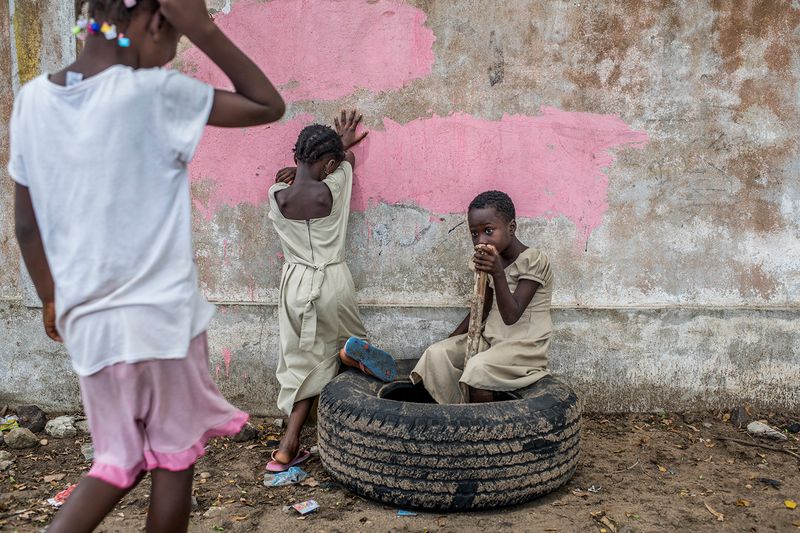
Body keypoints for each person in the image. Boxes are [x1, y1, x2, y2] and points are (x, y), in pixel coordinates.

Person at [9, 0, 285, 531]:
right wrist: (204, 27)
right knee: (172, 461)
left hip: (88, 323)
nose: (173, 52)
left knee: (116, 464)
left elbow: (26, 226)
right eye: (176, 38)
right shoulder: (154, 94)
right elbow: (264, 104)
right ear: (157, 21)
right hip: (162, 321)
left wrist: (51, 298)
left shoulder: (33, 101)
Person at [267, 109, 397, 472]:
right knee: (345, 347)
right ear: (329, 164)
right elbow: (347, 160)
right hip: (333, 281)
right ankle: (346, 363)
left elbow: (307, 174)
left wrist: (301, 172)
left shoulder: (276, 194)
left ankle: (287, 446)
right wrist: (342, 147)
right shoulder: (336, 186)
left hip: (294, 287)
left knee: (299, 364)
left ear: (296, 159)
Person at [410, 191, 553, 404]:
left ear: (511, 228)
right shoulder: (486, 261)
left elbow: (511, 315)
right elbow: (482, 308)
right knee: (436, 354)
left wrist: (497, 273)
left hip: (524, 347)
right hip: (491, 341)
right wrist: (453, 336)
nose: (480, 240)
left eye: (488, 231)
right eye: (474, 234)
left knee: (478, 369)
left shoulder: (534, 260)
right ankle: (458, 414)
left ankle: (483, 431)